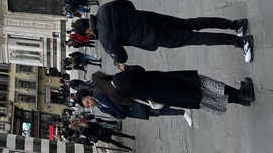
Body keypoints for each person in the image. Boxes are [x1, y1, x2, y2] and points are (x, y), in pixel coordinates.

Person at [72, 0, 254, 63]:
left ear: (87, 32)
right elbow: (128, 5)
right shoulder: (103, 8)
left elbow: (122, 57)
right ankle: (235, 24)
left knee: (196, 38)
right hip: (153, 19)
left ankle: (241, 42)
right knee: (193, 23)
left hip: (154, 37)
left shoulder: (104, 39)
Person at [93, 66, 254, 121]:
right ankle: (242, 94)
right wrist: (127, 68)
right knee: (206, 84)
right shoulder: (119, 80)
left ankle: (241, 99)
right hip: (167, 84)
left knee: (205, 97)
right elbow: (140, 71)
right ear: (104, 76)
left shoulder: (117, 94)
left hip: (166, 95)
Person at [74, 86, 190, 123]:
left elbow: (117, 104)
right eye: (87, 106)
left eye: (87, 102)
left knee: (159, 107)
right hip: (133, 112)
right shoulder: (100, 107)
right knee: (158, 112)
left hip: (134, 103)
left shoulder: (101, 94)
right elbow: (115, 114)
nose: (89, 105)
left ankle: (182, 103)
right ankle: (182, 111)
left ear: (88, 96)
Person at [69, 120, 135, 151]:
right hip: (102, 131)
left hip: (100, 137)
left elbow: (89, 136)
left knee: (114, 142)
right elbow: (95, 125)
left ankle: (128, 148)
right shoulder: (85, 124)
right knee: (117, 133)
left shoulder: (82, 132)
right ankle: (130, 137)